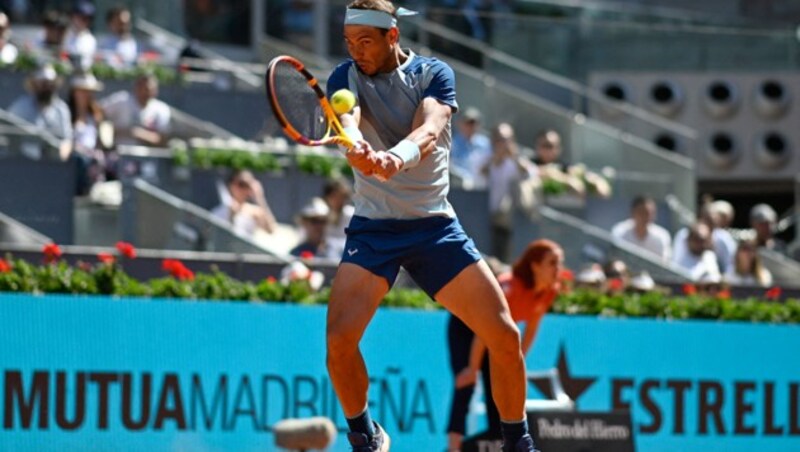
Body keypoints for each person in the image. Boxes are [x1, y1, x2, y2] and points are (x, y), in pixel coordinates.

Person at [325, 1, 539, 450]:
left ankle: (518, 443)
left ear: (393, 36)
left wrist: (393, 158)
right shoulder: (344, 78)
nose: (356, 51)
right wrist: (359, 147)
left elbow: (431, 124)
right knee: (339, 341)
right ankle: (365, 434)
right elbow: (349, 120)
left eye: (366, 41)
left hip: (434, 228)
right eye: (349, 42)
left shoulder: (433, 73)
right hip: (374, 229)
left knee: (503, 335)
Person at [446, 240, 563, 451]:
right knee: (466, 384)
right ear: (535, 265)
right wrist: (472, 368)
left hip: (493, 334)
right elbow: (484, 332)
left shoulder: (549, 290)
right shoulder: (510, 287)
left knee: (500, 387)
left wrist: (517, 361)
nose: (558, 268)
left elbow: (532, 327)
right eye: (552, 262)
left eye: (559, 263)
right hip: (467, 328)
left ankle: (502, 443)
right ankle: (453, 448)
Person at [481, 122, 538, 263]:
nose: (503, 144)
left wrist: (515, 157)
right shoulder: (486, 157)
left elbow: (531, 175)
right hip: (486, 215)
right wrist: (495, 159)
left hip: (512, 217)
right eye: (500, 139)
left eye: (507, 139)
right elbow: (479, 174)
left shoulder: (518, 160)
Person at [8, 63, 73, 160]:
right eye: (43, 83)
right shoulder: (21, 106)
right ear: (35, 84)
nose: (47, 87)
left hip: (52, 165)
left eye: (49, 83)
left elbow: (67, 139)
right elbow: (10, 133)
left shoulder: (61, 109)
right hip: (23, 162)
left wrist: (62, 154)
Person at [533, 129, 611, 199]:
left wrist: (596, 182)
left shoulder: (564, 166)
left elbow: (584, 175)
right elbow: (537, 171)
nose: (549, 150)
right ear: (538, 146)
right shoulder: (531, 164)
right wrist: (567, 180)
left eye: (552, 146)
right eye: (545, 146)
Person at [67, 72, 109, 195]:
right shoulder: (67, 114)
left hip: (92, 160)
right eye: (82, 91)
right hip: (74, 159)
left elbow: (100, 142)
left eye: (88, 91)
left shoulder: (96, 115)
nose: (86, 95)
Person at [100, 73, 171, 146]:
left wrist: (139, 133)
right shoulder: (121, 100)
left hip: (147, 155)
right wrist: (108, 130)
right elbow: (98, 111)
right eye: (144, 88)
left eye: (150, 90)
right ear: (136, 87)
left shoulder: (161, 109)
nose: (146, 93)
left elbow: (162, 139)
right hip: (117, 151)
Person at [212, 170, 278, 237]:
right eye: (241, 184)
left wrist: (260, 198)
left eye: (248, 185)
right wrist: (231, 216)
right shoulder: (220, 210)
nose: (244, 189)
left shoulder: (254, 211)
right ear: (231, 185)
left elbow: (271, 230)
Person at [611, 195, 672, 262]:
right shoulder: (620, 232)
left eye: (650, 213)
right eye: (642, 213)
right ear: (633, 213)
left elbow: (664, 264)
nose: (646, 217)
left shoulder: (662, 236)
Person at [450, 106, 491, 189]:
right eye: (467, 122)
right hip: (457, 188)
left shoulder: (485, 144)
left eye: (474, 123)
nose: (471, 126)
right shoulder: (452, 144)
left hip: (480, 189)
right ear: (459, 123)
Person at [322, 177, 355, 260]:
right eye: (334, 196)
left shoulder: (351, 215)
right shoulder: (321, 215)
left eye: (341, 196)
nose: (338, 200)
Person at [64, 0, 97, 70]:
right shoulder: (63, 34)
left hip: (82, 76)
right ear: (73, 17)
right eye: (80, 17)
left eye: (86, 18)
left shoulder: (91, 40)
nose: (82, 21)